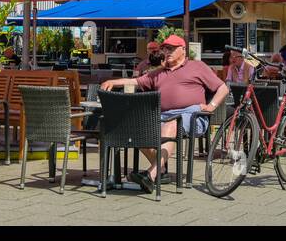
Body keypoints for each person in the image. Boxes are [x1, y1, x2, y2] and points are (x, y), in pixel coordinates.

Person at [97, 34, 228, 193]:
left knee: (172, 125)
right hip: (162, 115)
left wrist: (212, 106)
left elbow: (223, 88)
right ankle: (161, 168)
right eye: (166, 48)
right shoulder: (158, 72)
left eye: (172, 48)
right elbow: (136, 82)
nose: (168, 52)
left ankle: (150, 176)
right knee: (135, 128)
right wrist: (112, 81)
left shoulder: (197, 66)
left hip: (193, 114)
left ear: (183, 50)